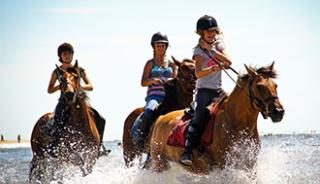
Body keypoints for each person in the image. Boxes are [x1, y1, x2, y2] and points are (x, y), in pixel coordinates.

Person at [179, 15, 232, 166]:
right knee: (201, 115)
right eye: (208, 31)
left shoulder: (218, 45)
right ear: (201, 33)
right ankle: (187, 151)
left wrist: (212, 51)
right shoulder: (198, 51)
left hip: (218, 90)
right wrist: (213, 68)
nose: (211, 34)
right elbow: (198, 73)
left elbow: (228, 62)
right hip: (204, 91)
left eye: (214, 31)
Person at [47, 42, 106, 153]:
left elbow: (91, 86)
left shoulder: (79, 70)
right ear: (60, 56)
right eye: (64, 54)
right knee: (57, 120)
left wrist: (80, 87)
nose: (67, 56)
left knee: (101, 119)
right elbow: (49, 90)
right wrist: (60, 86)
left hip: (79, 100)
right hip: (64, 101)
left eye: (69, 53)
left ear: (72, 55)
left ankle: (99, 147)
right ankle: (54, 146)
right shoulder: (57, 72)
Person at [132, 32, 177, 148]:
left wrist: (170, 80)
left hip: (170, 96)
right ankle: (143, 137)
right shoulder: (150, 63)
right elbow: (143, 82)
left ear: (166, 47)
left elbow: (176, 80)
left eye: (162, 45)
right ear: (153, 47)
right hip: (155, 96)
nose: (160, 48)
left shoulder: (172, 64)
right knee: (150, 110)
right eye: (158, 46)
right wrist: (153, 80)